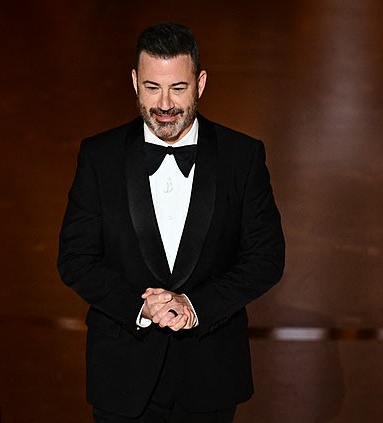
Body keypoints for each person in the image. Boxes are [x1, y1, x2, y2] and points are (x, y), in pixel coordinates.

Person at [57, 22, 285, 423]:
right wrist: (139, 307)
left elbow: (266, 258)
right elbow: (75, 258)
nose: (164, 104)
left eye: (178, 88)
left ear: (200, 83)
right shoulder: (99, 156)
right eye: (152, 87)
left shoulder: (242, 156)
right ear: (134, 82)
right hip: (122, 375)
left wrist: (196, 306)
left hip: (210, 375)